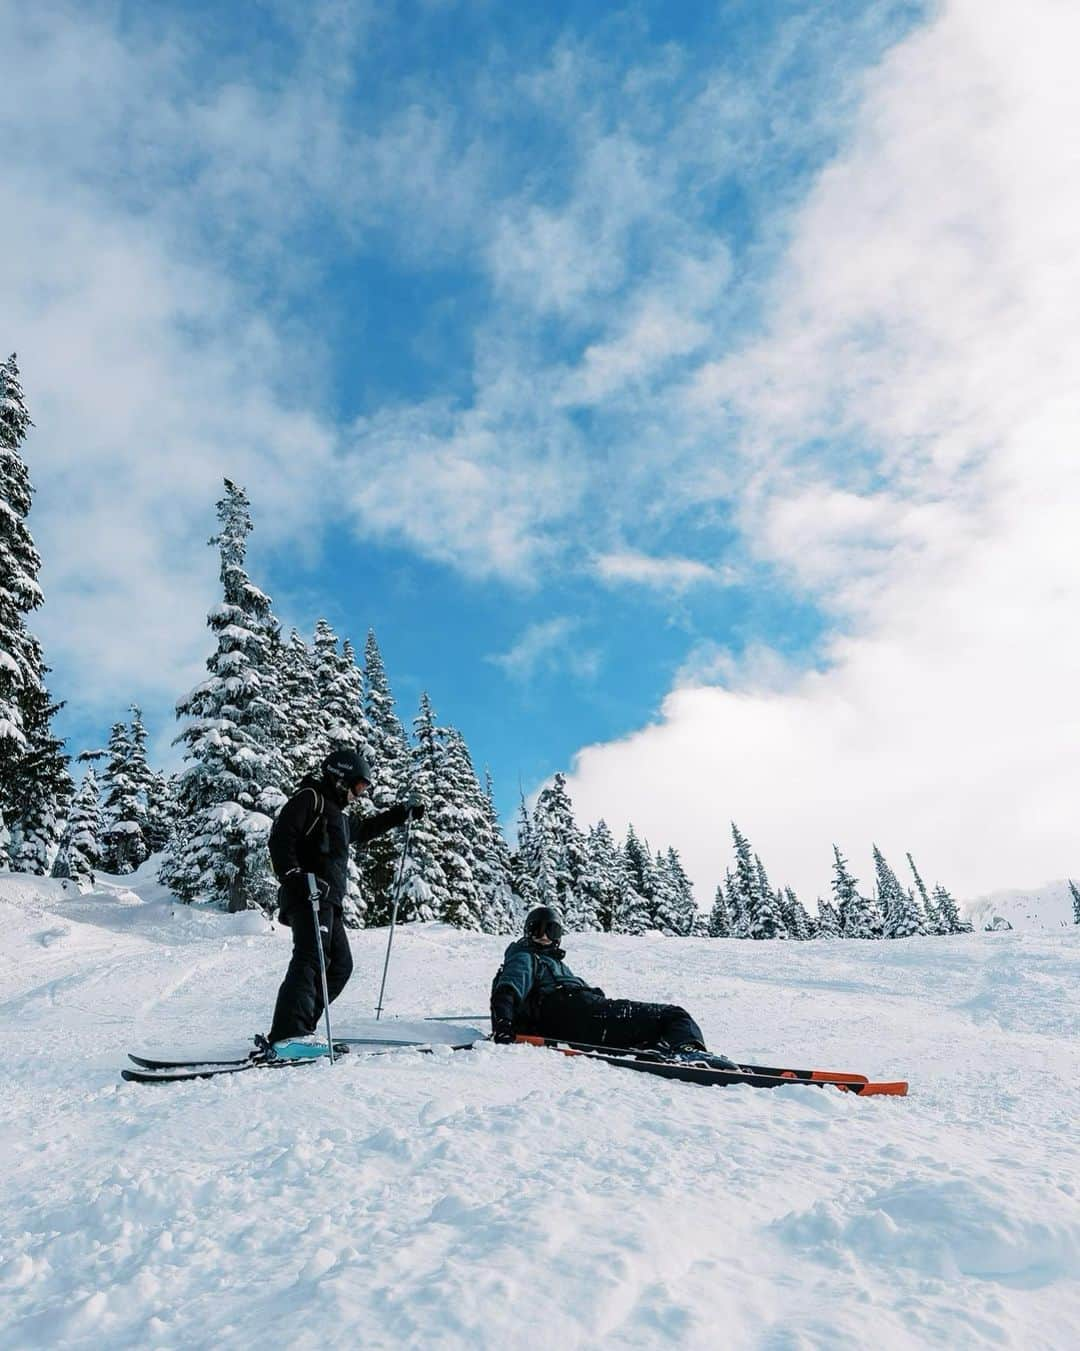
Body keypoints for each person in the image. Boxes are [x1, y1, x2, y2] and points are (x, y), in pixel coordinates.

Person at [265, 748, 424, 1046]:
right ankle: (289, 1034)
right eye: (358, 786)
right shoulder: (309, 799)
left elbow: (365, 829)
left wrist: (403, 814)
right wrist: (294, 876)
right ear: (341, 778)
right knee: (310, 957)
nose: (358, 794)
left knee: (340, 965)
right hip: (306, 894)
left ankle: (303, 1031)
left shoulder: (337, 815)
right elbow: (281, 838)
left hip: (327, 901)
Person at [490, 905, 736, 1067]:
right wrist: (503, 1024)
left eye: (550, 929)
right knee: (673, 1015)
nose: (543, 935)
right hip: (576, 1013)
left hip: (581, 1017)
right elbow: (508, 988)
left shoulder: (549, 962)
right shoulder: (524, 956)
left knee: (650, 1027)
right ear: (526, 932)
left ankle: (663, 1049)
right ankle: (688, 1052)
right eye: (537, 928)